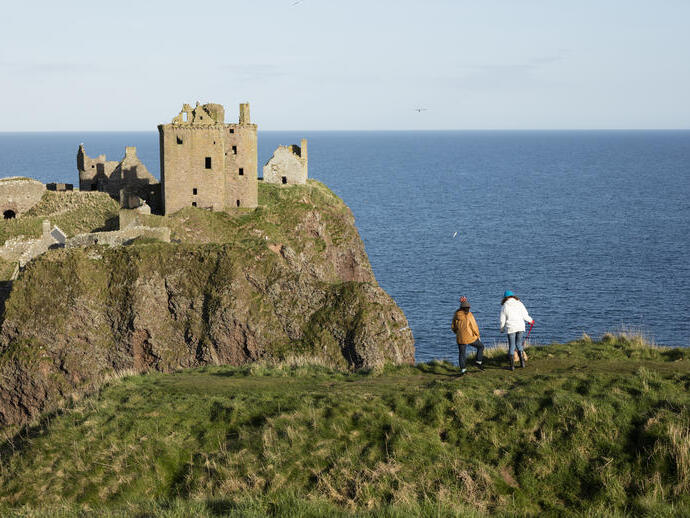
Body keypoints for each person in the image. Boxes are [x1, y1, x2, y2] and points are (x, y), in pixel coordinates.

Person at [499, 290, 534, 371]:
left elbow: (502, 320)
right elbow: (525, 315)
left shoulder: (505, 306)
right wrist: (531, 321)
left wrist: (502, 329)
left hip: (511, 328)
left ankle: (512, 366)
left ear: (505, 298)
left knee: (512, 346)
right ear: (513, 296)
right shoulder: (519, 303)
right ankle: (522, 364)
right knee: (519, 344)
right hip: (520, 326)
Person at [451, 296, 485, 375]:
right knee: (481, 347)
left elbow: (453, 326)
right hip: (470, 337)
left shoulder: (456, 314)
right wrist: (478, 335)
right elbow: (474, 326)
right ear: (468, 308)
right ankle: (478, 362)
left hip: (460, 337)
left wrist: (457, 332)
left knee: (462, 353)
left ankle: (463, 370)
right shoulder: (469, 315)